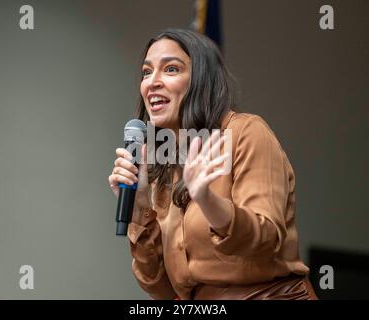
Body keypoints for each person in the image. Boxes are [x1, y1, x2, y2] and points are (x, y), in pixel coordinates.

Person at [108, 28, 318, 300]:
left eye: (171, 69)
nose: (152, 82)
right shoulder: (164, 163)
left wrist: (206, 199)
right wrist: (139, 207)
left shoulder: (246, 133)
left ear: (201, 80)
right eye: (146, 73)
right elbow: (161, 289)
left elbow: (265, 241)